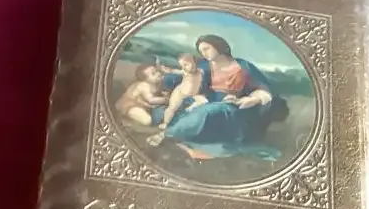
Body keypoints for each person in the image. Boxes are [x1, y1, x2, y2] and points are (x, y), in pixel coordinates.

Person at [146, 34, 288, 161]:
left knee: (208, 112)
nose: (204, 53)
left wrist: (251, 99)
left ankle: (166, 134)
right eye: (201, 51)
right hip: (203, 101)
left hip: (231, 107)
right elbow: (184, 76)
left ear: (218, 46)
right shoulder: (203, 65)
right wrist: (165, 84)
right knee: (167, 110)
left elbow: (264, 89)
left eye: (206, 48)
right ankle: (183, 133)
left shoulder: (242, 66)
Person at [114, 63, 168, 128]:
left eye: (156, 71)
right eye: (153, 74)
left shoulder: (156, 83)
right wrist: (166, 100)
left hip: (141, 105)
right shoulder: (144, 85)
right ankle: (125, 121)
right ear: (145, 79)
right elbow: (151, 100)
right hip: (129, 104)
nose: (158, 74)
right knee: (147, 120)